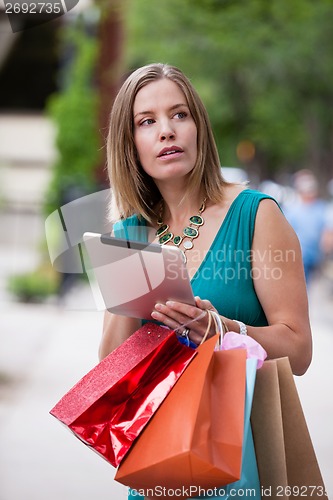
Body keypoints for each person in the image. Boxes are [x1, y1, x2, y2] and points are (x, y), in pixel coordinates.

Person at [99, 63, 312, 500]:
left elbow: (300, 349)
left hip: (241, 457)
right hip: (157, 458)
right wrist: (127, 261)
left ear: (199, 127)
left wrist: (225, 330)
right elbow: (109, 374)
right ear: (130, 145)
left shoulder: (257, 214)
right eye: (147, 121)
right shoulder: (129, 234)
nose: (166, 131)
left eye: (179, 115)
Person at [284, 170, 329, 284]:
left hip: (316, 254)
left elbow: (326, 230)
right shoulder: (292, 209)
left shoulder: (321, 208)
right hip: (300, 254)